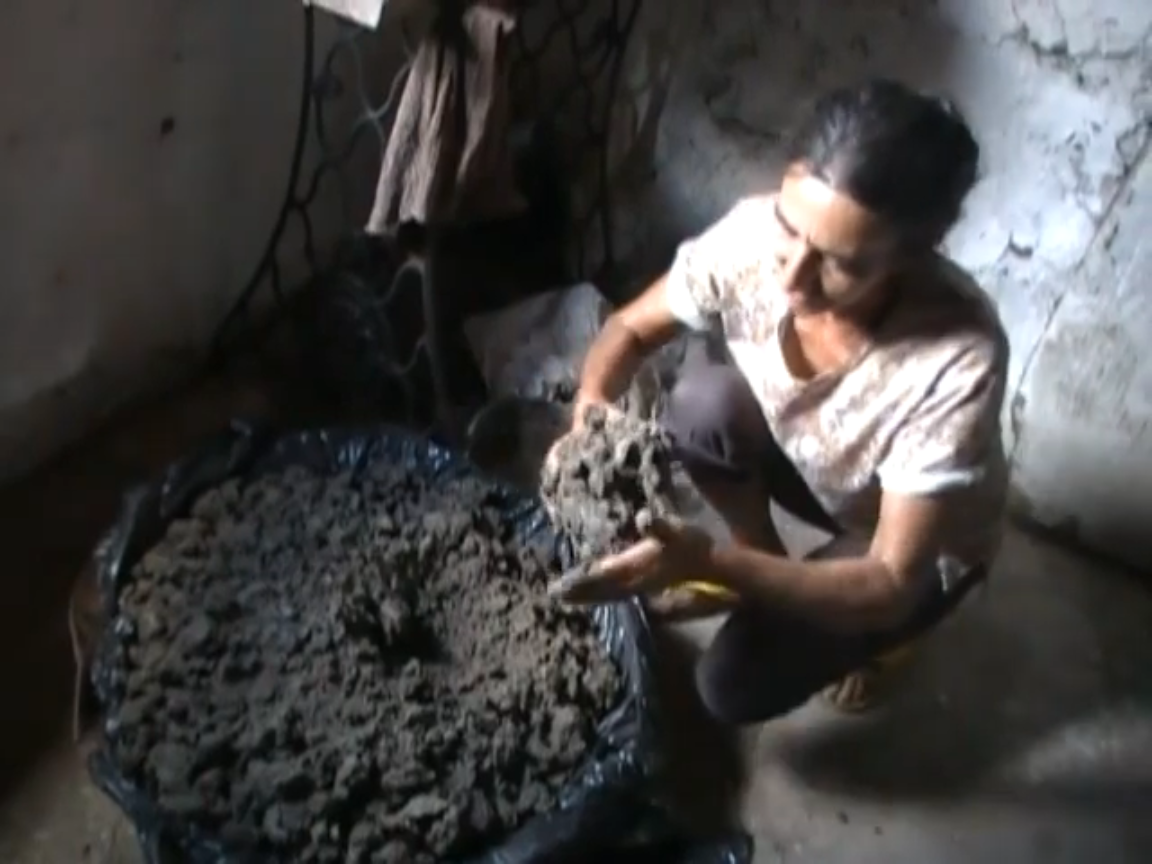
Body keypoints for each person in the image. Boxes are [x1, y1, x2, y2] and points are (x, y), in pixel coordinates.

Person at [549, 79, 1010, 720]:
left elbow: (886, 581)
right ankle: (761, 563)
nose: (792, 276)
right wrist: (592, 411)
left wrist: (708, 561)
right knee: (700, 403)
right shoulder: (751, 239)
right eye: (789, 229)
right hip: (820, 468)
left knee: (732, 684)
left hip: (908, 546)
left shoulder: (956, 357)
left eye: (840, 263)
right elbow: (629, 328)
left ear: (910, 256)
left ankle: (886, 647)